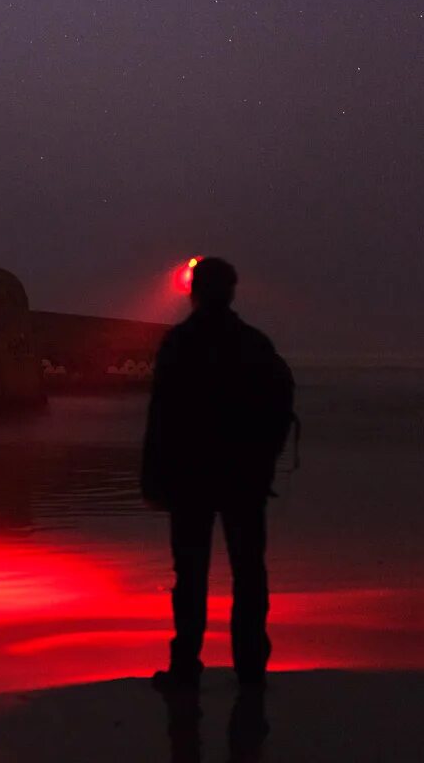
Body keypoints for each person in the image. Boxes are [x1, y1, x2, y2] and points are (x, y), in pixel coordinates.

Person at [141, 256, 294, 696]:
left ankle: (186, 666)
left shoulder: (179, 344)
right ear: (231, 291)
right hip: (245, 476)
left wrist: (153, 476)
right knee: (249, 573)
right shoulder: (254, 344)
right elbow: (278, 410)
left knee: (189, 574)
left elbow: (162, 415)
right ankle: (250, 668)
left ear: (195, 292)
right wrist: (265, 461)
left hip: (190, 477)